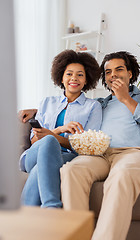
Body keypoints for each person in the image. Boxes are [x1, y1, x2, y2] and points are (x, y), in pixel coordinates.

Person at [19, 51, 140, 239]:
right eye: (108, 72)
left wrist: (126, 99)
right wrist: (35, 111)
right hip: (99, 155)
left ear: (130, 74)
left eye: (119, 69)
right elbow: (71, 103)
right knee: (70, 171)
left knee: (121, 176)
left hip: (133, 153)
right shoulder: (100, 104)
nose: (113, 75)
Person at [20, 49, 102, 208]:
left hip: (67, 156)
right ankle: (52, 207)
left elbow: (87, 145)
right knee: (48, 142)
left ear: (86, 80)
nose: (74, 78)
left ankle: (45, 209)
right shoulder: (46, 102)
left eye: (80, 75)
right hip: (33, 155)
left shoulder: (93, 107)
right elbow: (34, 140)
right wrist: (57, 131)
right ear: (61, 77)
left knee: (41, 168)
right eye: (69, 74)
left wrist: (52, 135)